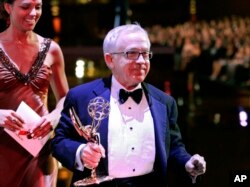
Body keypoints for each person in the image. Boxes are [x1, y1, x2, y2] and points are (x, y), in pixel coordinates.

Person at [51, 23, 206, 187]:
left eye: (145, 54)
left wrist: (187, 161)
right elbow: (59, 141)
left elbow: (173, 146)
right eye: (132, 53)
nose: (141, 61)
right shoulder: (81, 97)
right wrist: (81, 152)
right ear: (110, 59)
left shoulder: (165, 102)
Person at [0, 0, 69, 186]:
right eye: (25, 7)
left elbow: (65, 99)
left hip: (39, 148)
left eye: (38, 7)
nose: (33, 13)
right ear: (8, 7)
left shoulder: (52, 49)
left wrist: (54, 117)